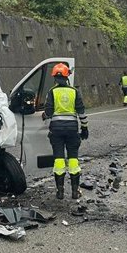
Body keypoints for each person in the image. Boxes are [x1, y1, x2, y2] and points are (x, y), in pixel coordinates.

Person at [44, 63, 89, 200]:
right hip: (72, 129)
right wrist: (85, 128)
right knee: (73, 158)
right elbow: (81, 111)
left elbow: (49, 112)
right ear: (67, 76)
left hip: (56, 129)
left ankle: (60, 192)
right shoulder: (74, 91)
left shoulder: (52, 92)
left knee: (58, 158)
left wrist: (45, 116)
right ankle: (75, 192)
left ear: (55, 78)